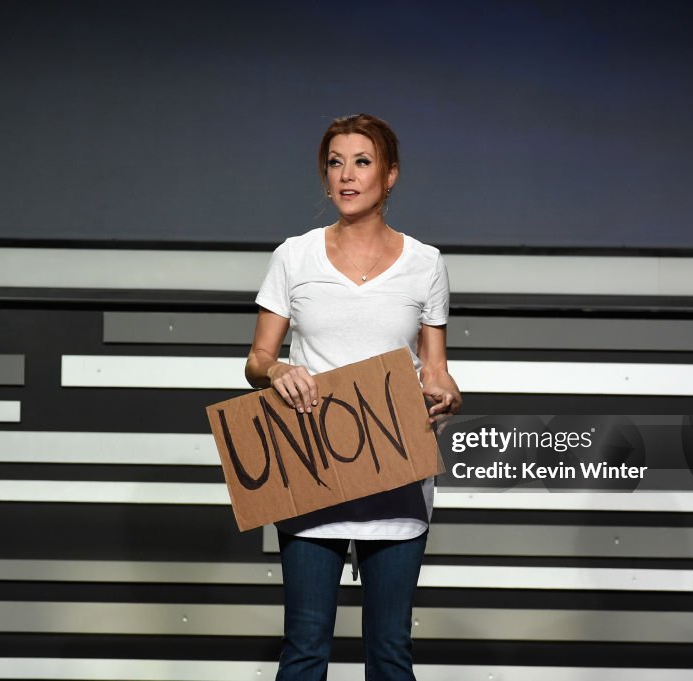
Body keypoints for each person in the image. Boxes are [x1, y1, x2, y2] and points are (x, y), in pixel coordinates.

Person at [244, 113, 462, 681]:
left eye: (361, 162)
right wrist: (277, 371)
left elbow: (435, 370)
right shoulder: (293, 256)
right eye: (335, 163)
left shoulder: (425, 264)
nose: (346, 175)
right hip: (311, 469)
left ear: (389, 176)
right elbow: (257, 360)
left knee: (389, 655)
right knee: (305, 651)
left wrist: (443, 392)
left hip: (395, 474)